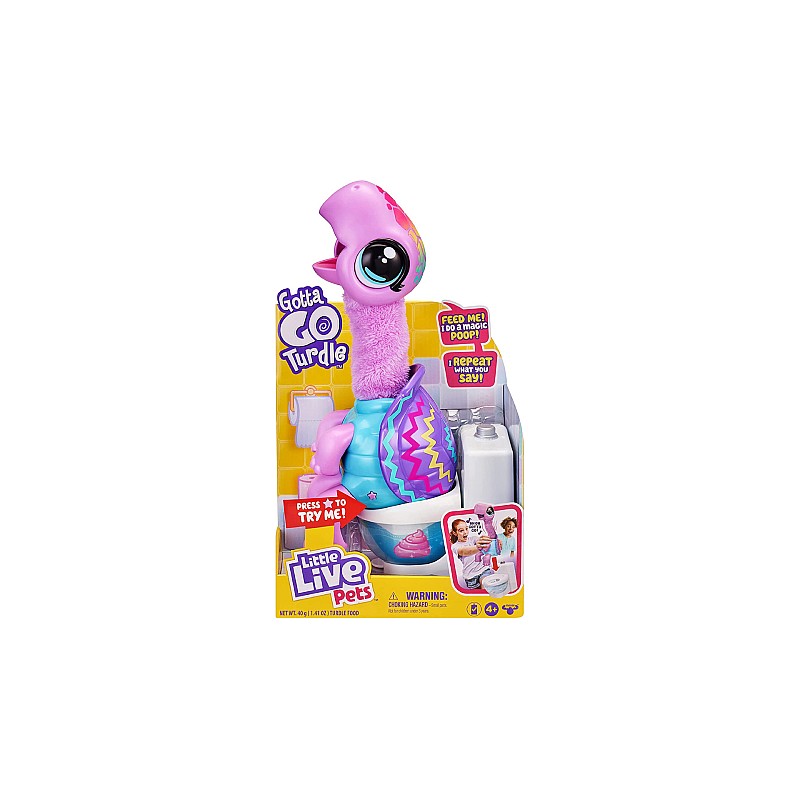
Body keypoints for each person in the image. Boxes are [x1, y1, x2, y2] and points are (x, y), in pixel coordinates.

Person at [450, 517, 494, 590]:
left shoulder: (473, 539)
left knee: (485, 585)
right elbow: (464, 551)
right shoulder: (455, 546)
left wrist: (488, 540)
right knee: (477, 595)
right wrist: (479, 547)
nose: (465, 532)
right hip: (470, 577)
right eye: (461, 530)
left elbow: (482, 541)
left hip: (484, 570)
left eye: (466, 529)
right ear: (455, 533)